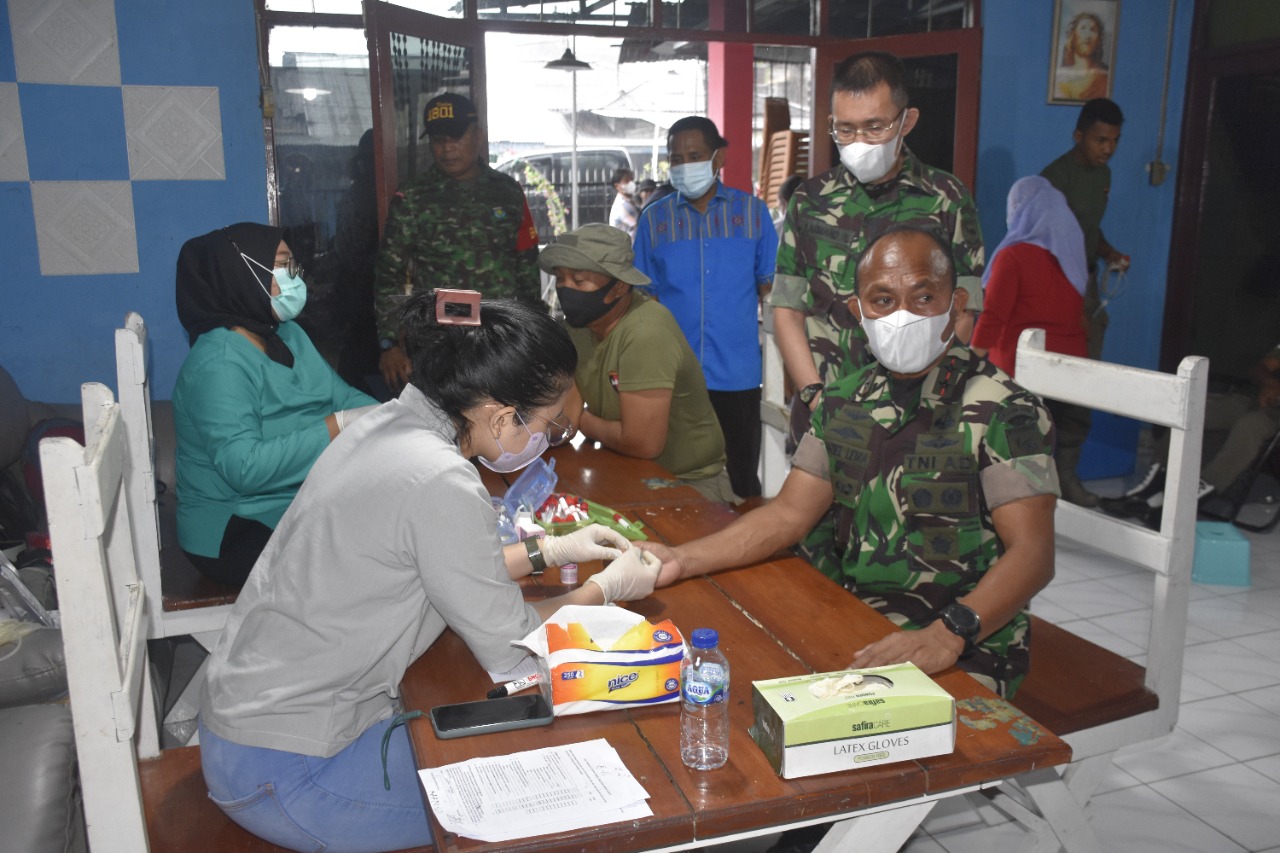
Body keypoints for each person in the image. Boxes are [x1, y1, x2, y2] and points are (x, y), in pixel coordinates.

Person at [198, 291, 662, 853]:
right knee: (558, 796)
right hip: (294, 767)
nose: (547, 441)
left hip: (248, 727)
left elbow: (447, 568)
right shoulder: (440, 479)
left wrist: (551, 550)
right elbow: (514, 653)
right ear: (502, 417)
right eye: (549, 426)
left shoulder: (384, 423)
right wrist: (606, 589)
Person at [640, 226, 1059, 700]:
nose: (902, 314)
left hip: (966, 643)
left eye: (923, 297)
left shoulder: (1006, 411)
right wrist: (681, 558)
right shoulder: (843, 401)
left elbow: (1033, 553)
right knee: (725, 689)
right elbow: (789, 514)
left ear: (956, 304)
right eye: (883, 300)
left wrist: (948, 635)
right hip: (855, 620)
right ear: (859, 312)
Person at [771, 51, 984, 451]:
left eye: (874, 127)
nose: (859, 142)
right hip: (825, 411)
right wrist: (814, 395)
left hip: (913, 414)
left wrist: (925, 401)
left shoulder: (946, 199)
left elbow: (964, 310)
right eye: (845, 129)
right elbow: (787, 309)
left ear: (907, 121)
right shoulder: (809, 201)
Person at [172, 223, 379, 586]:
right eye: (282, 265)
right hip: (235, 527)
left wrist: (385, 415)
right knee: (370, 565)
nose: (294, 276)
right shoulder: (219, 363)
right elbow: (244, 467)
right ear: (238, 274)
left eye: (293, 265)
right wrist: (338, 426)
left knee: (398, 523)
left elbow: (342, 396)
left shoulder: (287, 333)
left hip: (296, 501)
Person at [632, 115, 778, 498]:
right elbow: (645, 300)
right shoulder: (654, 221)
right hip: (674, 376)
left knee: (742, 480)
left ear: (719, 157)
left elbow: (771, 293)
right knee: (673, 480)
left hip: (737, 376)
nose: (684, 166)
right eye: (676, 159)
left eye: (694, 156)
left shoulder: (753, 214)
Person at [540, 224, 737, 503]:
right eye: (561, 279)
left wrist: (584, 421)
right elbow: (566, 420)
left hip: (685, 483)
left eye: (579, 281)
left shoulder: (647, 333)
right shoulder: (578, 330)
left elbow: (643, 444)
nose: (566, 289)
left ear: (619, 287)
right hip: (623, 468)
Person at [374, 93, 542, 393]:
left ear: (478, 136)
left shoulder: (507, 192)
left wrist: (535, 326)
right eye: (438, 140)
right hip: (440, 340)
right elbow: (389, 275)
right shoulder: (413, 197)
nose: (447, 148)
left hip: (499, 334)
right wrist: (389, 343)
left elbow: (526, 264)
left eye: (456, 138)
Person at [970, 176, 1097, 506]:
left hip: (1019, 368)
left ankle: (1019, 506)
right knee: (1064, 436)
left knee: (1020, 444)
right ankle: (1066, 491)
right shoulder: (1072, 257)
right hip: (1071, 365)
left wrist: (971, 359)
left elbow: (993, 316)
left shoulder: (1013, 256)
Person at [1109, 344, 1280, 518]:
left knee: (1250, 426)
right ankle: (1153, 487)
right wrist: (1269, 382)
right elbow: (1261, 367)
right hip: (1254, 399)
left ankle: (1192, 498)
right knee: (1192, 411)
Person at [1041, 97, 1127, 362]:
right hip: (1058, 284)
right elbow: (1046, 246)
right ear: (1079, 136)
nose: (1109, 149)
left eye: (1115, 140)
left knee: (1090, 358)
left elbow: (1088, 226)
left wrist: (1109, 252)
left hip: (1087, 280)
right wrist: (1073, 308)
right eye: (1101, 140)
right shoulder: (1054, 179)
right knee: (1064, 363)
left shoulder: (1104, 174)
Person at [1054, 12, 1110, 102]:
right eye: (1083, 28)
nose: (1088, 35)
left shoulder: (1105, 76)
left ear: (1098, 39)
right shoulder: (1060, 77)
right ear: (1073, 35)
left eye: (1093, 30)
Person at [608, 167, 639, 238]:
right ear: (617, 186)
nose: (631, 183)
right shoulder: (621, 206)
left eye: (631, 180)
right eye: (627, 180)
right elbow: (637, 225)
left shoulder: (631, 201)